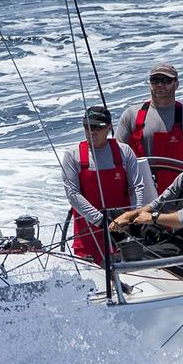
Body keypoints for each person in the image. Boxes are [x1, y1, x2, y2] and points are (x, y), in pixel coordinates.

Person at [111, 130, 183, 278]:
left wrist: (152, 218)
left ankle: (125, 272)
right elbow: (159, 203)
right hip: (174, 239)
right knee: (113, 216)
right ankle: (121, 261)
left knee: (141, 256)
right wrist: (129, 215)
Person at [63, 106, 143, 264]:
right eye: (87, 127)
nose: (92, 132)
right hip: (88, 237)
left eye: (97, 127)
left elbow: (137, 187)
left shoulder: (124, 151)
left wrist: (133, 217)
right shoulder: (73, 155)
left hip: (122, 233)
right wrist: (101, 221)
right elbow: (73, 195)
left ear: (109, 128)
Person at [116, 63, 183, 194]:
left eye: (166, 80)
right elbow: (118, 155)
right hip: (143, 192)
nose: (159, 84)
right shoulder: (131, 115)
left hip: (182, 192)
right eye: (155, 80)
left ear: (176, 84)